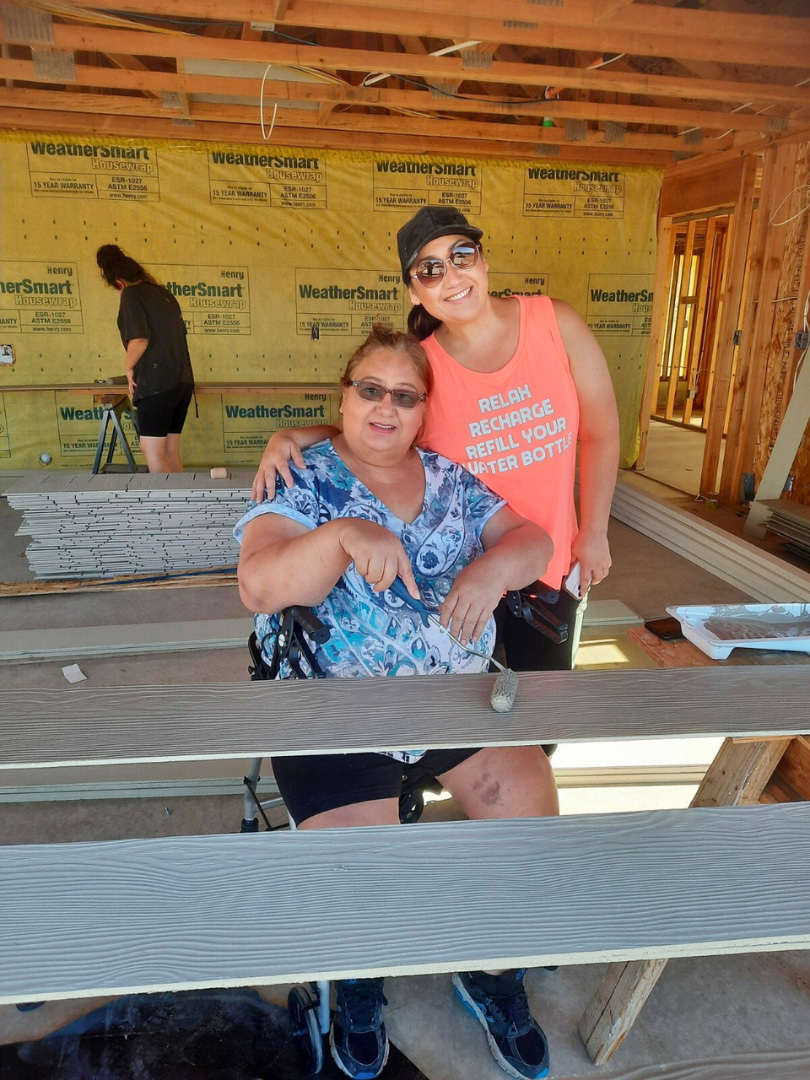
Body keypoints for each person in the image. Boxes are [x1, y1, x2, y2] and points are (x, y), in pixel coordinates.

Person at [236, 324, 556, 1080]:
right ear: (343, 398)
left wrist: (490, 573)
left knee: (530, 813)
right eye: (370, 390)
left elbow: (534, 540)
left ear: (423, 411)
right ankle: (358, 979)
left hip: (451, 702)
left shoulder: (449, 479)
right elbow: (260, 584)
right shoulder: (301, 476)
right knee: (362, 872)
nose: (386, 407)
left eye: (405, 396)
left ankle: (491, 970)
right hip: (331, 708)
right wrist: (343, 535)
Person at [251, 205, 620, 676]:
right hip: (454, 578)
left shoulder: (554, 323)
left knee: (542, 720)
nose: (452, 276)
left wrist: (594, 532)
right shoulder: (421, 370)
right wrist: (294, 437)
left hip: (547, 568)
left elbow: (602, 431)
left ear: (484, 263)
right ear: (414, 291)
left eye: (462, 255)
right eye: (431, 269)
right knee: (467, 717)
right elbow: (373, 434)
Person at [96, 244, 195, 473]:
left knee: (152, 450)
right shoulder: (163, 293)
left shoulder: (132, 294)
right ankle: (182, 505)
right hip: (182, 382)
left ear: (118, 283)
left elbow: (139, 340)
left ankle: (168, 506)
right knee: (170, 451)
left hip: (157, 383)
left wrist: (128, 367)